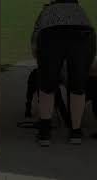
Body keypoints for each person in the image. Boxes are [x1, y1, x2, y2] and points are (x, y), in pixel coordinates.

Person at [31, 0, 96, 146]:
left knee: (47, 86)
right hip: (83, 34)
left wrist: (39, 55)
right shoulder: (79, 10)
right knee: (78, 86)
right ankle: (75, 131)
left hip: (50, 34)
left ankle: (45, 133)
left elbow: (35, 37)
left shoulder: (47, 9)